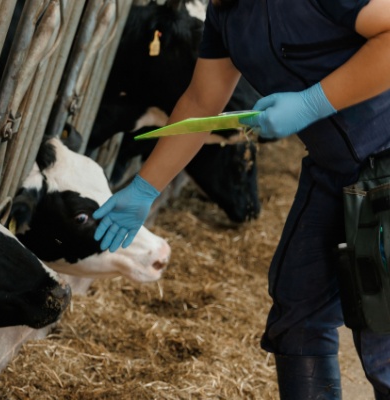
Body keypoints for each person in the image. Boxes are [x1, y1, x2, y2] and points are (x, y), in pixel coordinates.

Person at [92, 0, 390, 398]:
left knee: (383, 327)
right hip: (335, 170)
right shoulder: (224, 15)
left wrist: (312, 102)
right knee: (298, 316)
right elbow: (201, 102)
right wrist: (145, 187)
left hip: (385, 157)